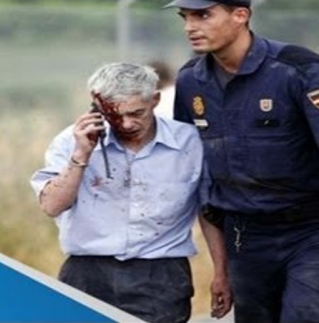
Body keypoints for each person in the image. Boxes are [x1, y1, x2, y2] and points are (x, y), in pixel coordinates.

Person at [163, 0, 319, 323]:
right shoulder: (191, 81)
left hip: (318, 231)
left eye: (203, 15)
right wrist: (221, 268)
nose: (190, 27)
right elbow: (200, 177)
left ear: (241, 15)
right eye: (185, 17)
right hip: (247, 237)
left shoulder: (303, 71)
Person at [30, 62, 232, 323]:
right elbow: (51, 206)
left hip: (160, 275)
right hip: (88, 271)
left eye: (137, 113)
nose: (126, 124)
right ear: (97, 105)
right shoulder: (70, 142)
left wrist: (222, 273)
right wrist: (81, 155)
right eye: (115, 115)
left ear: (155, 100)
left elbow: (209, 212)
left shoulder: (189, 143)